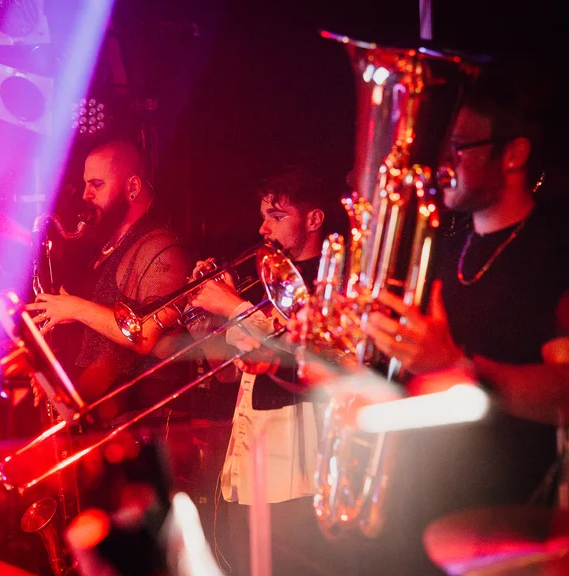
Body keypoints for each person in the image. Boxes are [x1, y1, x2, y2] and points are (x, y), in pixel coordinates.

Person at [362, 57, 569, 574]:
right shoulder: (441, 249)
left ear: (514, 154)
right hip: (420, 521)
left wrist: (457, 364)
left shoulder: (554, 251)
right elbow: (407, 383)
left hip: (506, 532)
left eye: (462, 146)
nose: (444, 161)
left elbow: (565, 394)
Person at [186, 164, 355, 576]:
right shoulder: (264, 287)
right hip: (248, 469)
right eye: (264, 216)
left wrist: (232, 307)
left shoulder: (334, 286)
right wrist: (201, 315)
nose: (264, 228)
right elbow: (225, 372)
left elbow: (312, 359)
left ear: (314, 220)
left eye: (277, 217)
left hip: (298, 479)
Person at [26, 139, 193, 424]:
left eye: (97, 185)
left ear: (132, 188)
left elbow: (147, 335)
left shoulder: (161, 246)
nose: (86, 195)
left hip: (137, 426)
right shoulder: (105, 247)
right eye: (86, 184)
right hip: (98, 418)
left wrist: (75, 309)